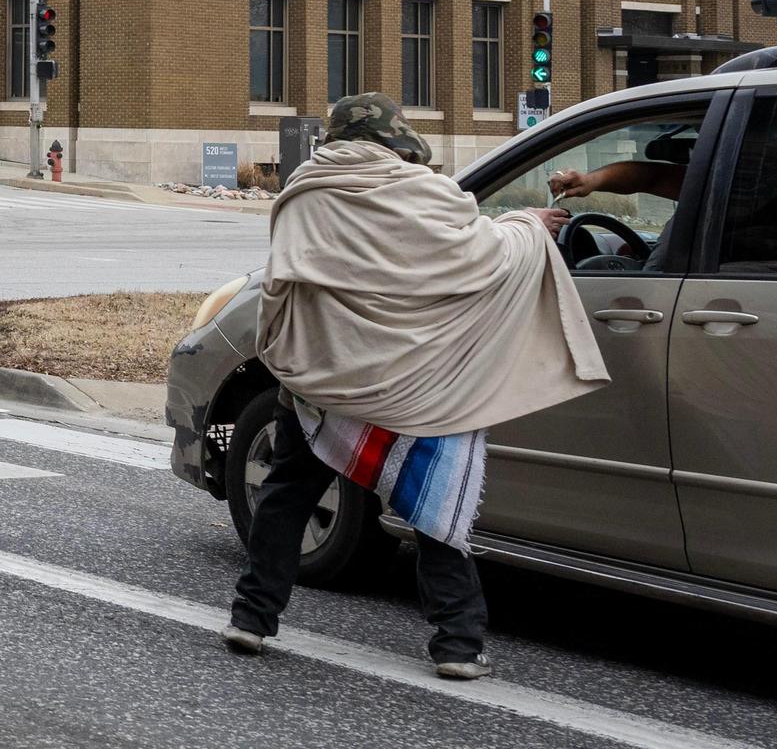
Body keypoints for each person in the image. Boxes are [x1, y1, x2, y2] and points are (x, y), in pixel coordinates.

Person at [223, 92, 610, 679]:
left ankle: (251, 617)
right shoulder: (422, 191)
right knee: (433, 499)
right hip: (416, 379)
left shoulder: (302, 191)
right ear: (396, 143)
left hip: (322, 378)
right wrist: (526, 226)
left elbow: (285, 284)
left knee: (287, 494)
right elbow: (477, 258)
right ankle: (456, 643)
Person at [547, 161, 685, 271]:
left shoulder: (701, 197)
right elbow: (652, 178)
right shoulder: (701, 189)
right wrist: (589, 181)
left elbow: (653, 178)